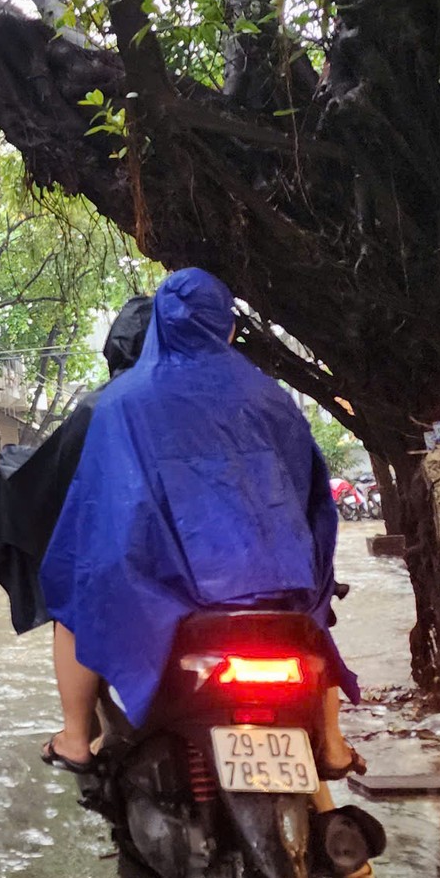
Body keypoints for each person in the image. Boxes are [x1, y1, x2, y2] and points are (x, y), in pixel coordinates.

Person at [37, 270, 364, 818]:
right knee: (316, 616)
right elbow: (313, 503)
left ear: (159, 324)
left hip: (170, 597)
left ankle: (74, 737)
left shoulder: (123, 403)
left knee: (72, 601)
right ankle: (330, 739)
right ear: (229, 328)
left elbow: (93, 518)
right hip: (275, 590)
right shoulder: (270, 397)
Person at [0, 294, 153, 635]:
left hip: (116, 565)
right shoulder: (215, 396)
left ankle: (79, 691)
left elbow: (52, 475)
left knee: (73, 610)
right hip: (214, 567)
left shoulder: (99, 407)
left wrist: (12, 468)